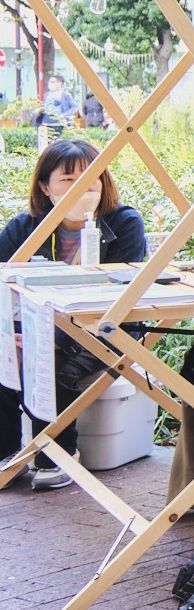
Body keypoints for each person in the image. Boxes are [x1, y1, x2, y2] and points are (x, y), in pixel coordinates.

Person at [0, 140, 147, 490]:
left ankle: (59, 454)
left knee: (52, 370)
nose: (82, 186)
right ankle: (9, 454)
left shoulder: (124, 223)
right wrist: (15, 335)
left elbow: (118, 298)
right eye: (68, 179)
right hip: (36, 329)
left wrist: (53, 339)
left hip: (109, 331)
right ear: (45, 187)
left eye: (91, 177)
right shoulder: (24, 228)